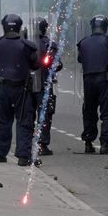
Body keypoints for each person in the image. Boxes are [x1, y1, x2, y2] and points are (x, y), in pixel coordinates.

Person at [0, 14, 40, 166]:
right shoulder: (27, 45)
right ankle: (23, 156)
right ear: (19, 26)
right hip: (22, 89)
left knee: (3, 120)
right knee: (24, 121)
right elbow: (35, 65)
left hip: (4, 88)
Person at [77, 14, 108, 154]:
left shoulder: (84, 42)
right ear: (105, 27)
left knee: (89, 111)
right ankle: (105, 143)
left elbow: (80, 59)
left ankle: (88, 143)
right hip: (104, 79)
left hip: (88, 80)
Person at [30, 18, 62, 156]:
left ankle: (27, 144)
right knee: (45, 115)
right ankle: (42, 144)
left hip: (28, 84)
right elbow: (57, 64)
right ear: (44, 28)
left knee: (27, 115)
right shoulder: (50, 44)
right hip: (45, 84)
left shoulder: (27, 42)